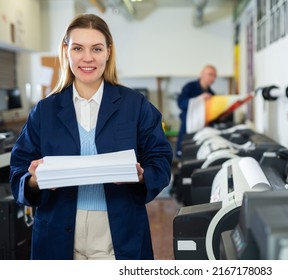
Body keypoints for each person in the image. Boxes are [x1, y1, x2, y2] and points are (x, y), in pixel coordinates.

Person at [9, 14, 173, 260]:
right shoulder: (45, 110)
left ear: (108, 51)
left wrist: (141, 176)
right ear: (66, 52)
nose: (87, 58)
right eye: (78, 48)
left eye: (96, 49)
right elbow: (18, 171)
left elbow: (160, 161)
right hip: (57, 232)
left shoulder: (135, 105)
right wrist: (34, 180)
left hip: (117, 232)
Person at [176, 64, 217, 158]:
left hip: (203, 133)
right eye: (210, 74)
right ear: (202, 74)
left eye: (214, 76)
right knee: (184, 157)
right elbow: (181, 104)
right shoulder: (189, 87)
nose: (212, 78)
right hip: (188, 130)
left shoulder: (212, 94)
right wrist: (199, 99)